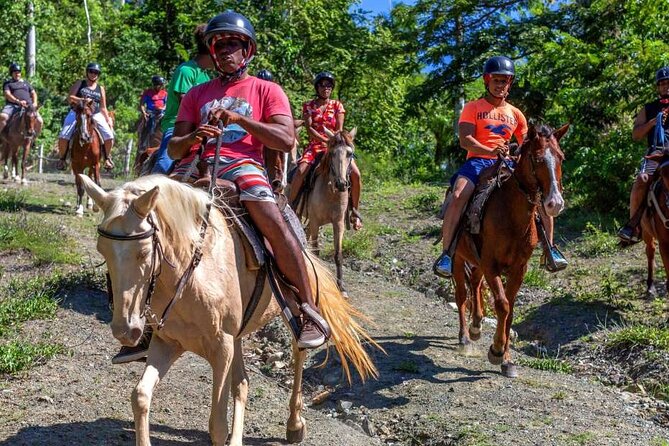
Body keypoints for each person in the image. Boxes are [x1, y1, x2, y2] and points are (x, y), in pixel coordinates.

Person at [113, 11, 331, 365]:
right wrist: (196, 136)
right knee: (137, 220)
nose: (226, 51)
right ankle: (144, 323)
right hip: (194, 166)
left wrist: (241, 119)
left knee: (270, 216)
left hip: (243, 164)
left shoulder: (267, 90)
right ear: (212, 51)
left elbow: (287, 139)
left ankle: (308, 309)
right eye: (220, 45)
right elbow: (174, 148)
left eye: (234, 44)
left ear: (247, 50)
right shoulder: (197, 93)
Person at [433, 56, 567, 277]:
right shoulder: (473, 107)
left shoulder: (516, 114)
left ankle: (550, 250)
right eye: (496, 80)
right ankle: (447, 254)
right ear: (487, 80)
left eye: (505, 81)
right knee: (458, 195)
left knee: (540, 196)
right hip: (476, 162)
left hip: (507, 163)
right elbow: (465, 140)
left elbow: (527, 145)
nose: (500, 85)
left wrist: (517, 153)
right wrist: (489, 151)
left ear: (510, 83)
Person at [288, 71, 363, 230]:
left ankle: (355, 212)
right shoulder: (308, 105)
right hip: (315, 146)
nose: (326, 88)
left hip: (336, 147)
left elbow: (339, 129)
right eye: (322, 85)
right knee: (300, 171)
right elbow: (309, 130)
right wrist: (325, 140)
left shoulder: (337, 106)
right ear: (317, 87)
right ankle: (290, 207)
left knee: (356, 174)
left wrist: (333, 142)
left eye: (329, 85)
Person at [149, 24, 213, 174]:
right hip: (177, 126)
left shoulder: (207, 76)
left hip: (200, 127)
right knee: (165, 163)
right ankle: (148, 190)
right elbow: (185, 101)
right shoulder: (186, 71)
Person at [618, 66, 669, 244]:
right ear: (658, 87)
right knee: (642, 179)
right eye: (662, 84)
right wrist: (652, 123)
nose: (665, 87)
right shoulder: (649, 108)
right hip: (656, 153)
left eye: (668, 83)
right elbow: (636, 135)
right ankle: (633, 226)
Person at [56, 62, 115, 171]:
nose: (93, 74)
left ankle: (106, 158)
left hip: (94, 114)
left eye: (96, 72)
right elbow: (70, 98)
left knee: (109, 136)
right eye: (91, 71)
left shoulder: (100, 88)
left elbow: (103, 107)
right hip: (77, 112)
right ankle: (62, 159)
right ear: (87, 72)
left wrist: (108, 120)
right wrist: (82, 100)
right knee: (64, 136)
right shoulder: (80, 83)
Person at [0, 63, 43, 136]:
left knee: (40, 121)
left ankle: (34, 139)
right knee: (3, 116)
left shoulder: (26, 83)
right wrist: (17, 101)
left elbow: (33, 93)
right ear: (11, 73)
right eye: (15, 72)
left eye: (19, 72)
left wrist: (34, 103)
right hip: (13, 105)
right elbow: (7, 94)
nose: (17, 74)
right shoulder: (8, 83)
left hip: (28, 107)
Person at [138, 75, 167, 151]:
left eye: (161, 85)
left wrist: (163, 108)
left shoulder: (164, 93)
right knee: (149, 123)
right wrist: (144, 113)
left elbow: (167, 104)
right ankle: (143, 143)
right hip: (151, 113)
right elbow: (141, 104)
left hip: (162, 113)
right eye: (159, 85)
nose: (161, 87)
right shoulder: (148, 93)